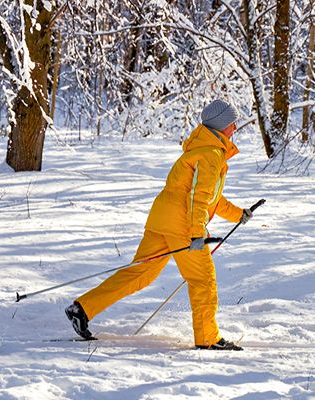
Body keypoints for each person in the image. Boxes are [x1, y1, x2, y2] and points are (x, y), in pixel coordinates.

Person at [65, 99, 252, 351]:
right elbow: (200, 197)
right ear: (221, 126)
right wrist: (197, 233)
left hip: (161, 219)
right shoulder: (211, 154)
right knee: (202, 280)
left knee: (140, 273)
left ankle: (83, 308)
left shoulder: (200, 150)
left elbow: (212, 198)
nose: (235, 127)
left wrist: (239, 213)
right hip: (182, 224)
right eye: (232, 123)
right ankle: (208, 338)